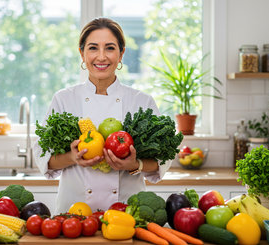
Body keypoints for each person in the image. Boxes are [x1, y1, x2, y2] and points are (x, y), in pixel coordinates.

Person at [33, 18, 172, 214]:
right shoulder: (64, 99)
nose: (101, 57)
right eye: (92, 48)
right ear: (82, 53)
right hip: (74, 216)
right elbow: (44, 158)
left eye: (109, 48)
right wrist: (73, 157)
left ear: (121, 53)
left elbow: (161, 162)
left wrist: (135, 164)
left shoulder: (142, 102)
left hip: (128, 213)